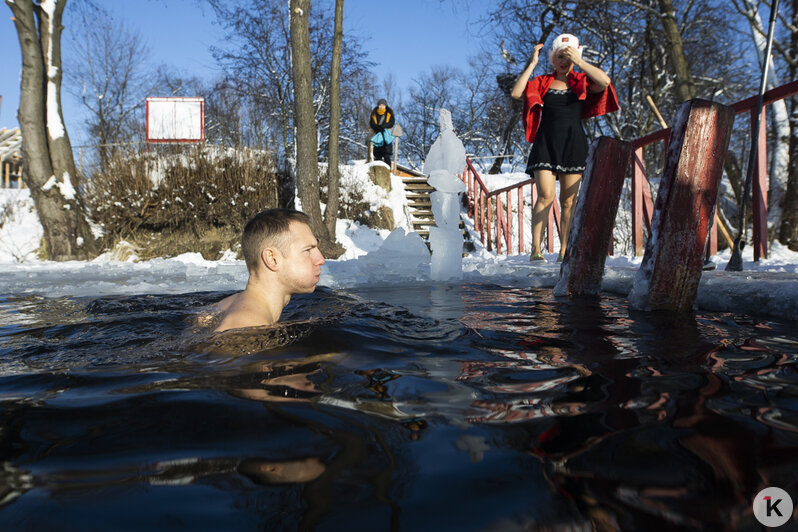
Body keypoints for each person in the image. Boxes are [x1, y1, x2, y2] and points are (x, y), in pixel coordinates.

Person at [510, 34, 619, 262]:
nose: (564, 60)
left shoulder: (582, 80)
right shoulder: (542, 82)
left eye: (569, 56)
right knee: (545, 196)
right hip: (546, 143)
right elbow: (516, 93)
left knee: (569, 201)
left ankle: (564, 251)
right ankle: (536, 250)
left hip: (573, 143)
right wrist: (532, 63)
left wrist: (579, 61)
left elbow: (605, 82)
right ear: (553, 58)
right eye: (560, 55)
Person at [213, 208, 325, 332]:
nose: (321, 260)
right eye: (307, 250)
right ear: (272, 259)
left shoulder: (229, 304)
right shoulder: (248, 324)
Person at [369, 98, 396, 166]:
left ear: (385, 106)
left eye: (383, 105)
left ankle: (388, 172)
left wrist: (384, 126)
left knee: (387, 156)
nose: (381, 106)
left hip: (386, 136)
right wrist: (378, 128)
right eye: (380, 105)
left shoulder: (389, 114)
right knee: (378, 156)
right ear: (378, 105)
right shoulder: (374, 115)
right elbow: (372, 124)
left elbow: (391, 123)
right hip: (377, 136)